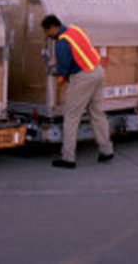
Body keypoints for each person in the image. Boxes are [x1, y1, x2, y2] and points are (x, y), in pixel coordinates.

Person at [42, 14, 115, 168]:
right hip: (98, 71)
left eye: (47, 32)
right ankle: (106, 150)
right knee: (97, 114)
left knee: (71, 116)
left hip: (83, 77)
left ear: (53, 28)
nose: (47, 36)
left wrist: (52, 72)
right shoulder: (75, 30)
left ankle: (68, 158)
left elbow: (63, 71)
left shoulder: (62, 44)